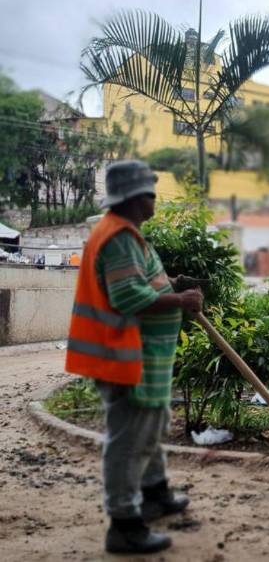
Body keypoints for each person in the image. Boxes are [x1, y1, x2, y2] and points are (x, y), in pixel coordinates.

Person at [64, 160, 203, 555]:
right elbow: (127, 297)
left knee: (152, 423)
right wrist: (178, 300)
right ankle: (124, 524)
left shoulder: (125, 234)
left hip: (141, 356)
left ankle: (154, 494)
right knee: (129, 438)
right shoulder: (119, 236)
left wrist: (171, 284)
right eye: (151, 193)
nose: (155, 200)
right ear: (134, 198)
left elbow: (136, 281)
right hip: (123, 355)